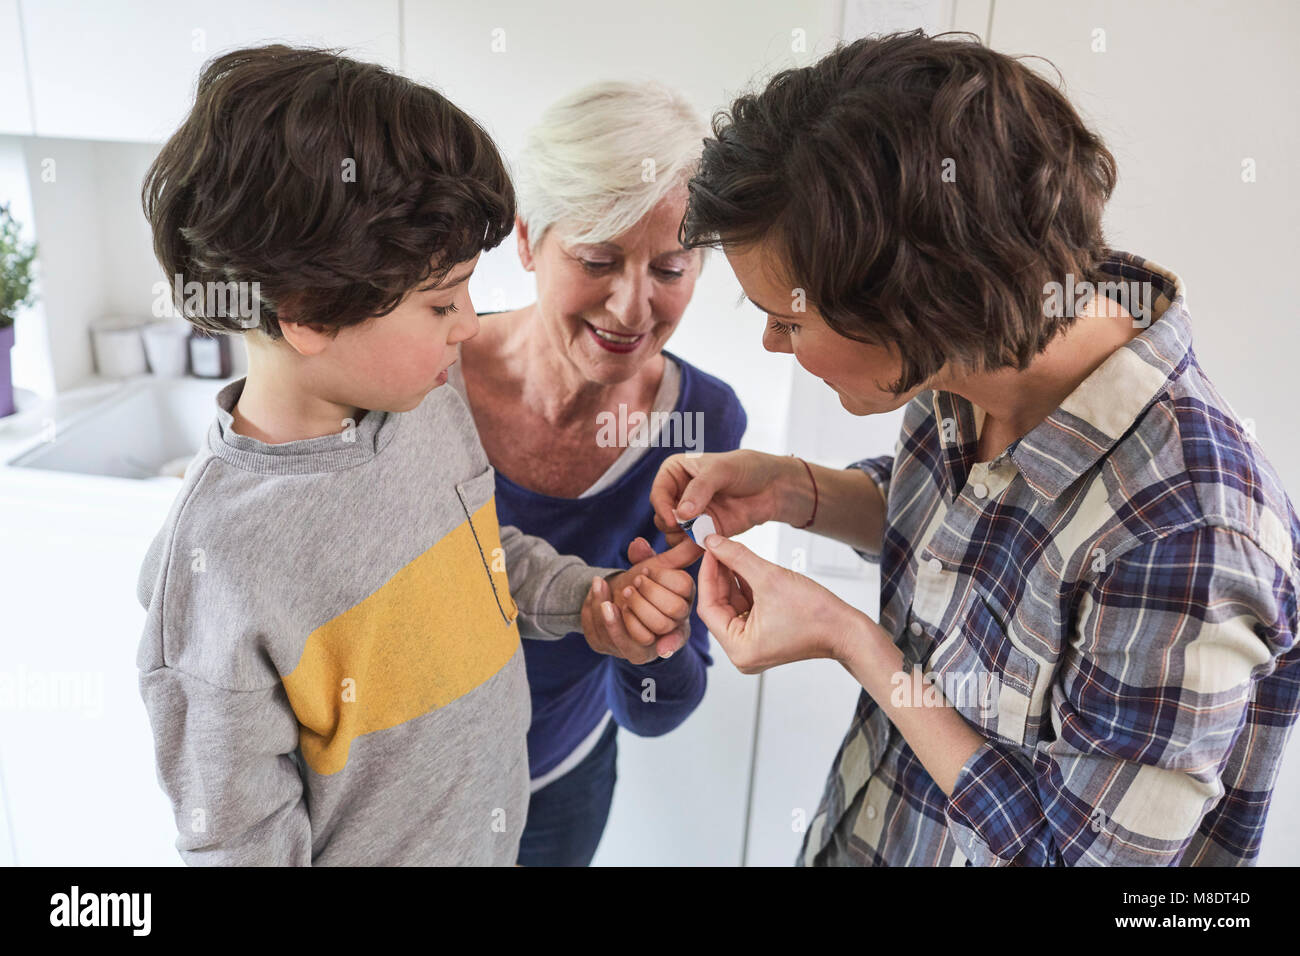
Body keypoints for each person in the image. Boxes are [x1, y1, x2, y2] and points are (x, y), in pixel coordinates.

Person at [651, 30, 1300, 866]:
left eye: (790, 319)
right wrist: (791, 490)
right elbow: (975, 533)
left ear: (918, 306)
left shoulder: (1192, 537)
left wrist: (852, 640)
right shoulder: (970, 354)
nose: (776, 345)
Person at [134, 45, 695, 866]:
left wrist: (586, 598)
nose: (469, 324)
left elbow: (482, 556)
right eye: (441, 301)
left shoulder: (426, 404)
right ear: (309, 313)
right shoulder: (215, 574)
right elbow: (239, 844)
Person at [448, 81, 748, 866]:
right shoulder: (423, 378)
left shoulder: (705, 425)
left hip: (560, 780)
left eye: (672, 268)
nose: (631, 308)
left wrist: (651, 642)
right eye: (597, 259)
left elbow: (653, 714)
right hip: (404, 783)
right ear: (525, 239)